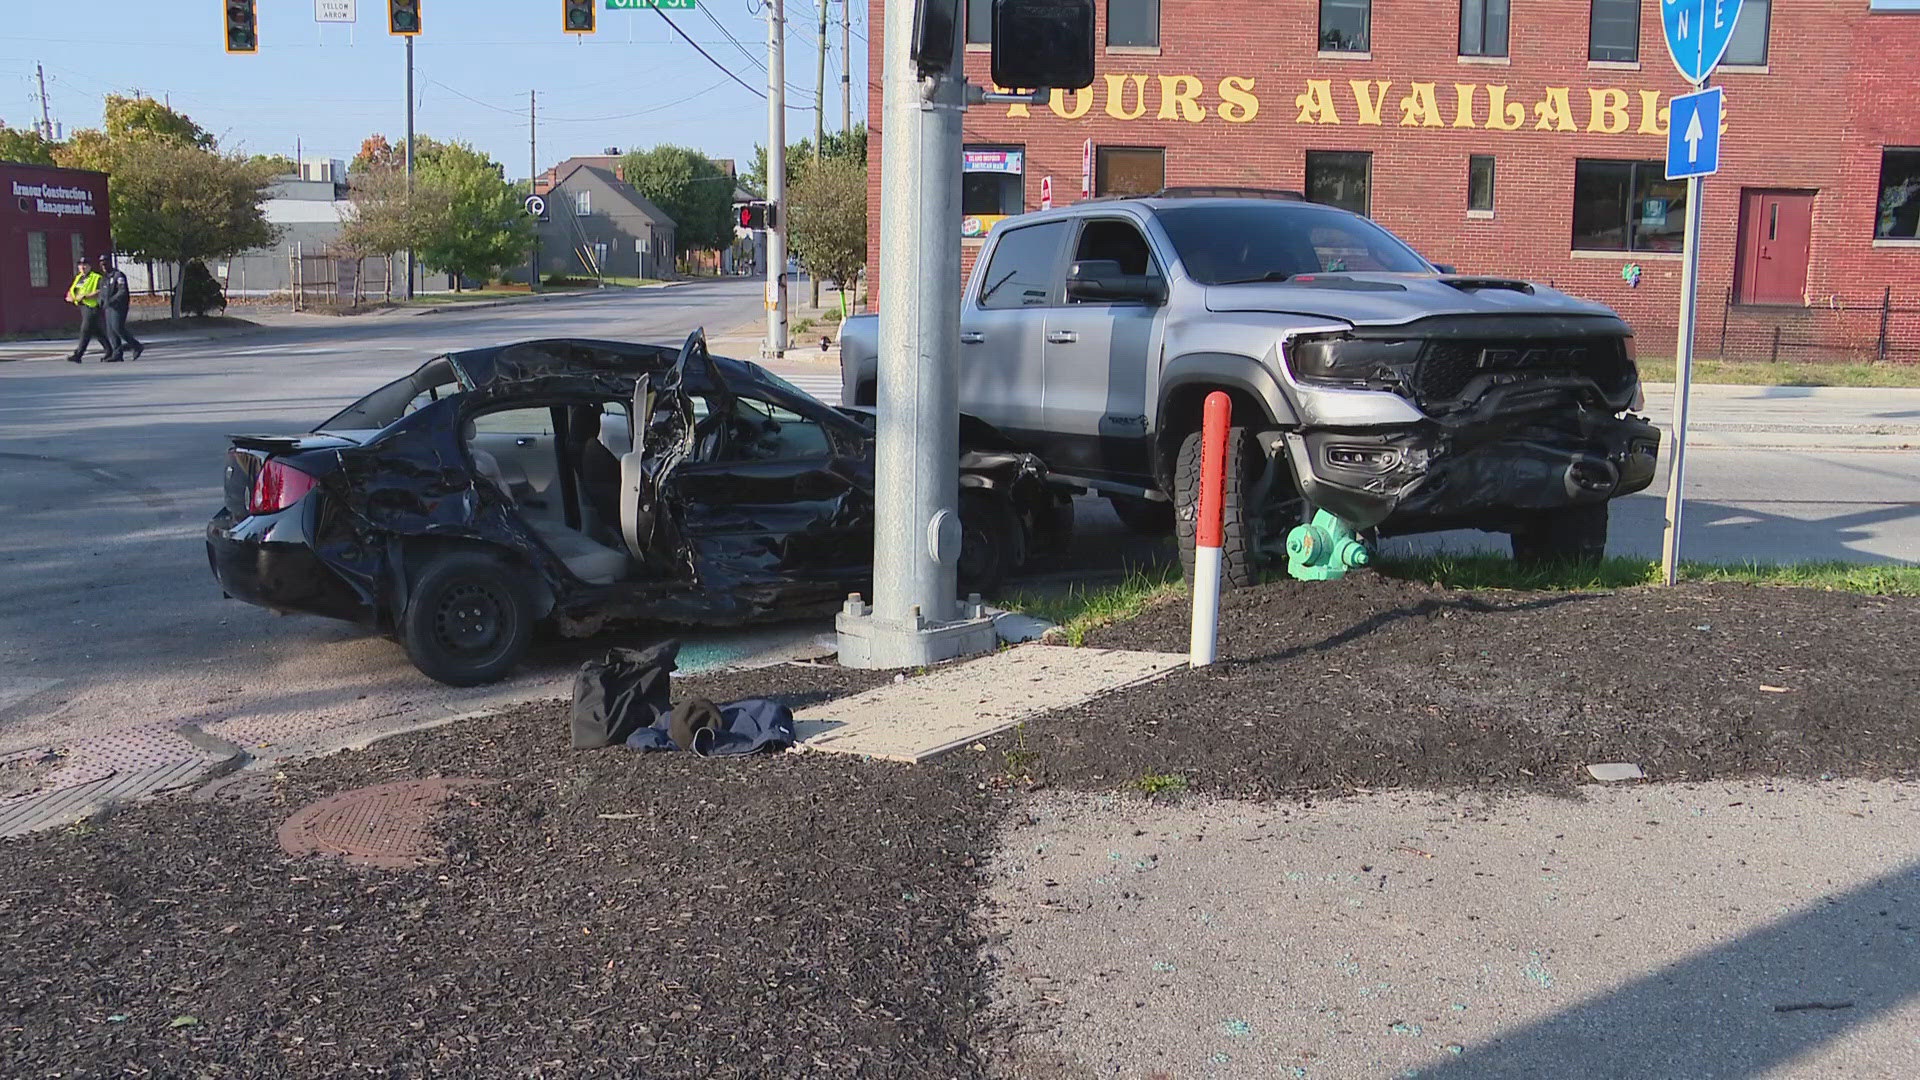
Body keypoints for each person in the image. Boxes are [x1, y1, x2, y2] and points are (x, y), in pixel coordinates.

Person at [64, 258, 110, 364]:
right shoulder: (79, 278)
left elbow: (101, 290)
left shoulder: (96, 277)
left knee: (85, 330)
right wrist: (70, 296)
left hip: (92, 307)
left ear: (90, 266)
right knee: (96, 331)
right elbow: (73, 290)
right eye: (80, 265)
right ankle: (110, 350)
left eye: (85, 265)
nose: (82, 267)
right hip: (82, 307)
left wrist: (85, 296)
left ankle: (78, 354)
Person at [100, 258, 143, 362]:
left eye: (106, 264)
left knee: (117, 328)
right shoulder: (104, 278)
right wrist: (101, 301)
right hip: (108, 307)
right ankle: (117, 353)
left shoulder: (118, 276)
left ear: (110, 263)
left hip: (119, 307)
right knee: (110, 330)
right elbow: (102, 292)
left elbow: (122, 291)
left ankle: (136, 346)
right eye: (102, 265)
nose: (104, 267)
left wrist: (111, 300)